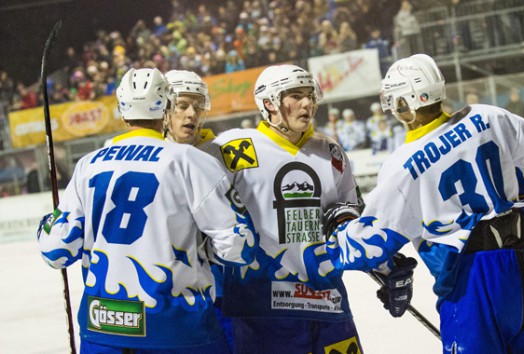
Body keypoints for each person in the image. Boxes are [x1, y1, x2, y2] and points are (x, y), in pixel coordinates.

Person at [327, 54, 524, 353]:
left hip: (472, 276)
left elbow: (369, 246)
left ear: (403, 104)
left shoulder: (403, 166)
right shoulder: (489, 116)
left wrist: (339, 231)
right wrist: (522, 194)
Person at [37, 67, 258, 353]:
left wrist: (48, 222)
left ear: (121, 109)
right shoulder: (190, 160)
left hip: (102, 328)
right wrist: (200, 247)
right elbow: (241, 246)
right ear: (166, 107)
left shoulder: (88, 165)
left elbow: (56, 251)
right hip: (177, 329)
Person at [203, 64, 398, 354]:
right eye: (296, 96)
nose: (307, 103)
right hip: (261, 310)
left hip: (328, 302)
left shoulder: (330, 152)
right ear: (269, 103)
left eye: (310, 95)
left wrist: (387, 266)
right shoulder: (232, 149)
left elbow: (351, 219)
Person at [163, 69, 234, 348]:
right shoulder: (146, 156)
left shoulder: (220, 154)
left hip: (218, 291)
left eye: (197, 105)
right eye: (182, 106)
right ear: (164, 108)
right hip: (163, 294)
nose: (191, 114)